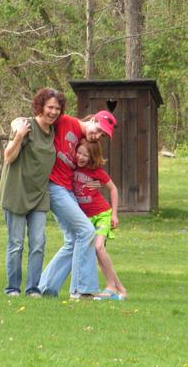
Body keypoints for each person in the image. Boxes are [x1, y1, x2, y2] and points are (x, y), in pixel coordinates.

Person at [36, 109, 118, 299]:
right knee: (87, 231)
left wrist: (95, 184)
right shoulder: (66, 121)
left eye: (102, 135)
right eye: (98, 130)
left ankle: (45, 288)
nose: (97, 136)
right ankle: (82, 290)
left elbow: (92, 173)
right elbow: (40, 120)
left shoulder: (84, 143)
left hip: (68, 190)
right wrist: (18, 123)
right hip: (55, 187)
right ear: (94, 119)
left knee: (74, 241)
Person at [0, 88, 66, 297]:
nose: (53, 112)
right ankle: (13, 288)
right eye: (50, 107)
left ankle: (33, 289)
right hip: (16, 192)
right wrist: (18, 135)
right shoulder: (26, 125)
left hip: (39, 194)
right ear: (41, 107)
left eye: (57, 108)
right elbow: (8, 157)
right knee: (16, 244)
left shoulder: (55, 130)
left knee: (38, 243)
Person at [73, 138, 127, 300]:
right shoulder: (72, 168)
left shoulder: (97, 172)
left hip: (102, 214)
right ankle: (115, 288)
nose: (81, 157)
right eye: (79, 153)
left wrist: (114, 214)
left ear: (92, 157)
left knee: (98, 248)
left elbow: (113, 189)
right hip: (86, 218)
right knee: (97, 254)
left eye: (85, 155)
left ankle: (116, 288)